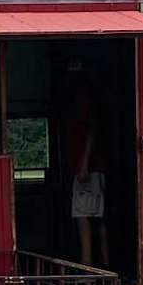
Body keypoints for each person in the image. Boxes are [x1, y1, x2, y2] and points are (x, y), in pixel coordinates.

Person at [64, 63, 106, 268]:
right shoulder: (85, 100)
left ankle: (86, 267)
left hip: (87, 169)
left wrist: (83, 163)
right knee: (98, 216)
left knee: (83, 217)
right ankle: (103, 264)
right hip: (93, 167)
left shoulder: (82, 101)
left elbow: (91, 130)